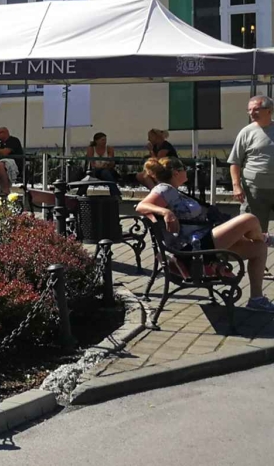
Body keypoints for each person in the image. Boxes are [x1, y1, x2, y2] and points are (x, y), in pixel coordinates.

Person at [136, 156, 274, 311]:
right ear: (175, 173)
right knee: (249, 219)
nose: (187, 171)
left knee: (259, 248)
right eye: (183, 169)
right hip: (193, 249)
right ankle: (266, 238)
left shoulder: (174, 191)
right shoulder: (164, 188)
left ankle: (256, 299)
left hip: (200, 243)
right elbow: (141, 206)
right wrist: (166, 212)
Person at [229, 95, 274, 229]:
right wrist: (236, 186)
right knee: (254, 229)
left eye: (256, 109)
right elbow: (235, 162)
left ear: (269, 110)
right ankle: (256, 250)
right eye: (249, 110)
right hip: (255, 189)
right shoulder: (246, 132)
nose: (251, 113)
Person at [84, 131, 121, 199]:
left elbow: (111, 162)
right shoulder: (91, 148)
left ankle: (115, 195)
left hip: (107, 170)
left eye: (105, 140)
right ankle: (116, 194)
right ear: (96, 141)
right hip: (95, 171)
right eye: (102, 140)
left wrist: (108, 163)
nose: (104, 142)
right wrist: (101, 166)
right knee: (103, 172)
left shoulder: (109, 149)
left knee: (105, 172)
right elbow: (92, 163)